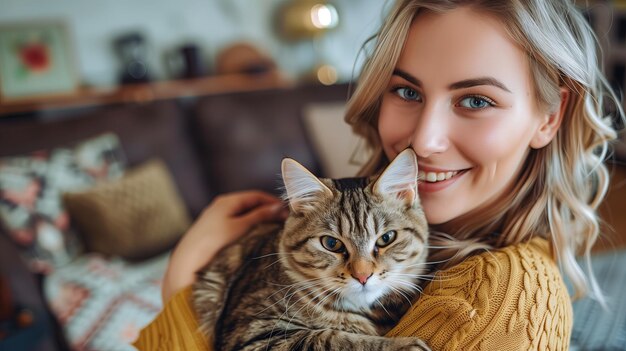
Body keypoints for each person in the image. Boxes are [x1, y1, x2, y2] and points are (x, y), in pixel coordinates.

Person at [134, 0, 622, 350]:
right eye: (407, 92)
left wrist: (179, 285)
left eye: (477, 100)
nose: (424, 141)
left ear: (550, 116)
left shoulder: (501, 305)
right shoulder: (406, 240)